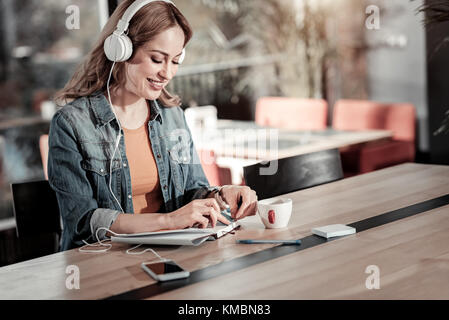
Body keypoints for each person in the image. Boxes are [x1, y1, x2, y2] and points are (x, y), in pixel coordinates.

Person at [48, 0, 257, 251]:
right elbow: (82, 221)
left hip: (173, 255)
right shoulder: (72, 124)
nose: (167, 74)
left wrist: (221, 196)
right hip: (103, 264)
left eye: (176, 61)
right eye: (157, 59)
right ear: (121, 50)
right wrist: (168, 221)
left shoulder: (172, 115)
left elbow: (193, 191)